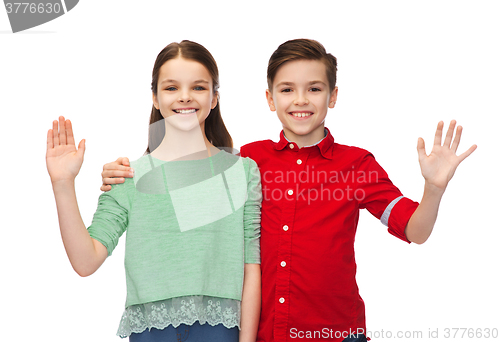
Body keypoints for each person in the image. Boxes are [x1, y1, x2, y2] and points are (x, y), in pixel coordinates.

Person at [99, 39, 477, 342]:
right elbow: (181, 215)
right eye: (287, 89)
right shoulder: (248, 162)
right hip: (265, 332)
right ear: (270, 99)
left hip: (335, 331)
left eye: (314, 89)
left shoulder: (356, 164)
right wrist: (129, 174)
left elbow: (415, 230)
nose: (300, 100)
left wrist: (433, 189)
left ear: (332, 96)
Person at [46, 40, 262, 342]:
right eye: (171, 88)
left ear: (214, 98)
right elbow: (85, 262)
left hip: (220, 331)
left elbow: (253, 267)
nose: (185, 97)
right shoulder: (129, 177)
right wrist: (63, 184)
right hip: (150, 332)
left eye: (198, 88)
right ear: (155, 98)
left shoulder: (243, 172)